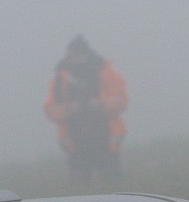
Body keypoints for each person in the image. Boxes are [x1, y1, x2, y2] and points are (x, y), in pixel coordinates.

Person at [44, 36, 128, 186]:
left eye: (81, 54)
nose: (79, 58)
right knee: (80, 190)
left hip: (106, 138)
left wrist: (100, 105)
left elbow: (121, 100)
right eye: (75, 54)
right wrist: (70, 109)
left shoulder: (106, 73)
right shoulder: (59, 79)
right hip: (75, 141)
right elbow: (50, 109)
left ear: (88, 53)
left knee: (114, 186)